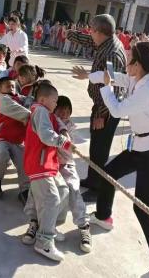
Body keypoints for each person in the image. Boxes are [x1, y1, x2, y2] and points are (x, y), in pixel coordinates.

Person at [74, 41, 149, 278]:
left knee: (143, 207)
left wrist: (105, 87)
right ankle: (103, 216)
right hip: (141, 146)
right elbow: (116, 76)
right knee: (107, 175)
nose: (127, 62)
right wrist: (90, 76)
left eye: (130, 59)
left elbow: (118, 110)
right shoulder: (137, 78)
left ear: (139, 65)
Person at [71, 14, 126, 201]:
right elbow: (89, 41)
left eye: (91, 30)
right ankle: (92, 179)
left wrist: (102, 114)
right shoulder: (105, 42)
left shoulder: (112, 52)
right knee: (95, 147)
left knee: (100, 150)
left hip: (107, 110)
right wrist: (71, 34)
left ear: (99, 32)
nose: (89, 33)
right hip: (102, 106)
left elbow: (114, 85)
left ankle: (97, 189)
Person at [23, 83, 71, 262]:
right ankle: (44, 241)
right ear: (43, 100)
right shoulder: (41, 111)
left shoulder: (46, 112)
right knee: (51, 199)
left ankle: (48, 227)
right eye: (54, 101)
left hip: (48, 164)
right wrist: (63, 142)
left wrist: (63, 130)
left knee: (63, 191)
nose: (56, 104)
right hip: (39, 165)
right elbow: (45, 134)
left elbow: (55, 123)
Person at [54, 95, 92, 253]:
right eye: (60, 111)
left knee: (73, 189)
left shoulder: (69, 127)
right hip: (50, 165)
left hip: (67, 164)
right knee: (49, 193)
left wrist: (58, 122)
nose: (64, 114)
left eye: (67, 111)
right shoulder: (47, 121)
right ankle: (43, 225)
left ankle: (84, 225)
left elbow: (65, 145)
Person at [0, 76, 30, 202]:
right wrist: (34, 115)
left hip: (18, 140)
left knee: (25, 164)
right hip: (2, 137)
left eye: (13, 86)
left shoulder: (21, 98)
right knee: (1, 155)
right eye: (7, 86)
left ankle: (25, 190)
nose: (11, 88)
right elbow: (25, 112)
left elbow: (32, 101)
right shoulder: (3, 99)